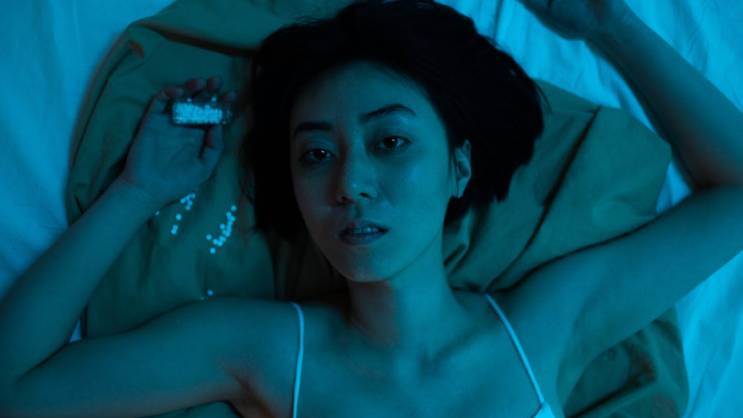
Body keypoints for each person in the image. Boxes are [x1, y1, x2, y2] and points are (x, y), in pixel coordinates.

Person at [1, 0, 742, 417]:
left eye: (389, 142)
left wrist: (610, 27)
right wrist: (137, 192)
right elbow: (14, 390)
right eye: (316, 154)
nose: (350, 183)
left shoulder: (545, 327)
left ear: (457, 167)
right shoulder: (266, 351)